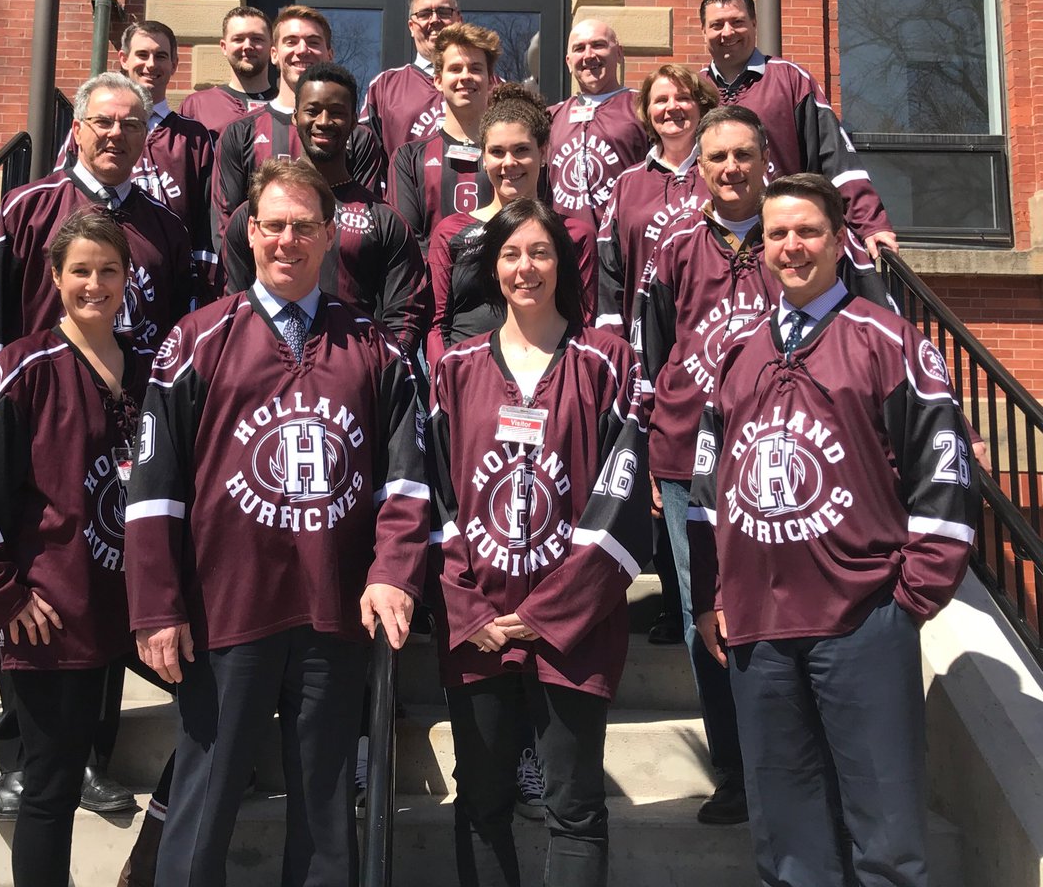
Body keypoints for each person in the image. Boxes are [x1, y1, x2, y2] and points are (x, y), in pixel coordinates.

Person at [124, 158, 430, 887]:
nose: (287, 241)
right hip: (226, 613)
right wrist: (157, 606)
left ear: (330, 237)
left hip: (333, 616)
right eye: (274, 227)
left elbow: (407, 482)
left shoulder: (375, 348)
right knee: (205, 804)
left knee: (326, 811)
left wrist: (392, 572)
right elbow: (152, 491)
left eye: (304, 228)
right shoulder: (195, 340)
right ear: (248, 233)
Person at [688, 173, 977, 887]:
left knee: (884, 837)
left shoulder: (888, 340)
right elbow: (709, 487)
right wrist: (715, 593)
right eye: (778, 234)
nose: (792, 246)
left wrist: (911, 595)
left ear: (839, 239)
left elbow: (944, 468)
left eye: (807, 231)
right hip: (759, 627)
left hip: (861, 619)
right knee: (788, 840)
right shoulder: (738, 352)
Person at [0, 71, 196, 817]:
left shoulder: (167, 225)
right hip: (39, 423)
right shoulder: (30, 209)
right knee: (43, 576)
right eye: (103, 121)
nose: (116, 134)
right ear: (80, 129)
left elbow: (183, 330)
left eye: (131, 123)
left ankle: (88, 755)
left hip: (130, 428)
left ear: (147, 134)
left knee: (107, 584)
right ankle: (24, 758)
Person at [643, 104, 892, 827]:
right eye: (715, 158)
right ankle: (741, 772)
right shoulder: (674, 249)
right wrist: (655, 446)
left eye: (743, 156)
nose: (729, 170)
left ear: (765, 162)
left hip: (793, 456)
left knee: (798, 616)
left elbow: (876, 330)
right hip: (693, 459)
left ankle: (807, 769)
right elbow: (649, 352)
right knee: (708, 620)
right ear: (699, 168)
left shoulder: (802, 243)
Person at [430, 197, 650, 887]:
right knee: (482, 802)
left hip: (574, 628)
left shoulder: (608, 364)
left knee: (574, 807)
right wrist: (470, 611)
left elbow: (622, 496)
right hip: (481, 623)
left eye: (540, 252)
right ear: (493, 269)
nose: (526, 267)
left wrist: (548, 613)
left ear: (564, 263)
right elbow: (432, 496)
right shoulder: (454, 369)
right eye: (511, 254)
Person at [0, 210, 148, 887]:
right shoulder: (17, 371)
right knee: (49, 793)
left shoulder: (152, 371)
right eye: (80, 270)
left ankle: (154, 860)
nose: (95, 284)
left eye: (109, 270)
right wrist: (2, 592)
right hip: (58, 611)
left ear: (128, 279)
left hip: (142, 608)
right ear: (54, 278)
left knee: (226, 718)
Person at [223, 62, 431, 358]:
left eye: (336, 112)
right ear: (295, 117)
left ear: (353, 123)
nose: (324, 121)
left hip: (354, 372)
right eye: (312, 110)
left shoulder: (384, 220)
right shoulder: (254, 216)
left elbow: (404, 315)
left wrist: (380, 369)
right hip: (265, 370)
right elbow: (236, 302)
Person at [698, 0, 898, 260]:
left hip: (784, 242)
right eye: (717, 24)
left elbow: (835, 159)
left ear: (754, 25)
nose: (728, 32)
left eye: (738, 22)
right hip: (712, 243)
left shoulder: (790, 81)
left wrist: (871, 225)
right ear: (704, 32)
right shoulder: (692, 92)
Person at [427, 82, 597, 369]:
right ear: (483, 157)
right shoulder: (449, 232)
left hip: (548, 382)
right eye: (497, 152)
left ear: (543, 153)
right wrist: (445, 384)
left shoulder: (574, 235)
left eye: (521, 150)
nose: (509, 163)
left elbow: (584, 322)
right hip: (466, 382)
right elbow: (436, 324)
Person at [60, 21, 217, 300]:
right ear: (123, 59)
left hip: (166, 274)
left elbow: (207, 219)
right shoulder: (89, 129)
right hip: (94, 270)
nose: (150, 64)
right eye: (142, 55)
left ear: (174, 64)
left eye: (161, 56)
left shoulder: (193, 137)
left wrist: (203, 285)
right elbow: (62, 197)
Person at [212, 5, 383, 245]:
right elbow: (225, 225)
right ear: (273, 54)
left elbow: (367, 220)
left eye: (313, 42)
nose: (302, 50)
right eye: (291, 41)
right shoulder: (240, 133)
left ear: (330, 54)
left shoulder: (358, 137)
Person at [595, 63, 719, 348]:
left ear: (701, 107)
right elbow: (609, 269)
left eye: (683, 98)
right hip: (645, 343)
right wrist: (613, 342)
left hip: (713, 335)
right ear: (648, 113)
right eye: (661, 100)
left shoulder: (723, 172)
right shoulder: (628, 184)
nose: (672, 107)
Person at [388, 22, 499, 255]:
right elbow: (407, 241)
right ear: (438, 80)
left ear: (491, 80)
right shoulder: (409, 158)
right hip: (434, 287)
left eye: (476, 68)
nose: (465, 76)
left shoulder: (510, 155)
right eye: (455, 69)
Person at [546, 18, 651, 230]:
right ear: (568, 61)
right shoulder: (551, 116)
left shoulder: (644, 106)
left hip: (624, 243)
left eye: (598, 45)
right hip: (566, 245)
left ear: (619, 53)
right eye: (579, 48)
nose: (589, 55)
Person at [360, 0, 461, 161]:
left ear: (458, 19)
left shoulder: (489, 84)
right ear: (411, 27)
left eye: (444, 12)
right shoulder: (384, 87)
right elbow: (366, 164)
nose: (434, 20)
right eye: (424, 14)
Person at [180, 5, 277, 140]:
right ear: (224, 47)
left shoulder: (289, 105)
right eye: (238, 39)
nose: (248, 46)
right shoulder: (197, 105)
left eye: (257, 39)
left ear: (272, 47)